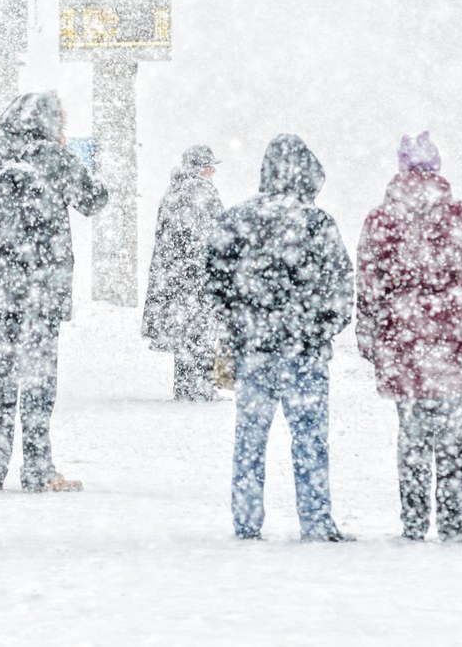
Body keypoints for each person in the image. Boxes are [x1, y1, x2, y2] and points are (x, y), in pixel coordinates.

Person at [355, 131, 462, 544]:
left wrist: (369, 336)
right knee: (454, 440)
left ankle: (412, 524)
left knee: (411, 436)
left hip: (404, 342)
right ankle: (450, 523)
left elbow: (368, 284)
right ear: (437, 169)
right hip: (458, 342)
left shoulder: (380, 220)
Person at [0, 92, 108, 492]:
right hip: (42, 292)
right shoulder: (52, 158)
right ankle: (38, 469)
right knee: (38, 384)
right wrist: (68, 156)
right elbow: (94, 199)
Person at [206, 134, 354, 542]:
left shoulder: (237, 219)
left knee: (250, 439)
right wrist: (318, 329)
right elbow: (341, 288)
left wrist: (241, 324)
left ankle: (247, 520)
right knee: (309, 441)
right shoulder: (316, 222)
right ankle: (317, 521)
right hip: (304, 353)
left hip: (254, 351)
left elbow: (215, 282)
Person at [142, 145, 225, 401]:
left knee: (184, 330)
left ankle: (183, 386)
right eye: (210, 166)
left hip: (174, 276)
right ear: (202, 168)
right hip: (199, 274)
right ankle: (204, 388)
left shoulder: (172, 192)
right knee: (204, 331)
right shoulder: (203, 192)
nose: (213, 171)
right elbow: (218, 235)